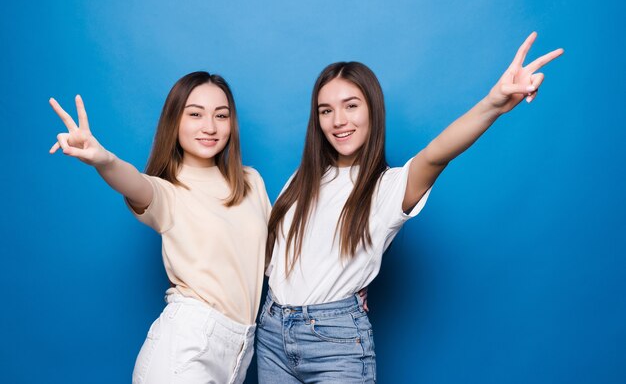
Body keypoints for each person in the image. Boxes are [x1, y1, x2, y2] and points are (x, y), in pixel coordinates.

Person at [256, 32, 563, 383]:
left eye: (351, 105)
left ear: (373, 109)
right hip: (272, 332)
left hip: (334, 341)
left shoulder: (388, 187)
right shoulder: (301, 180)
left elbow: (437, 154)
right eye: (326, 110)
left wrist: (493, 104)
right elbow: (276, 259)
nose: (338, 120)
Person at [49, 71, 271, 384]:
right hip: (186, 346)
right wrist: (104, 159)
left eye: (221, 116)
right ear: (174, 121)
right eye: (195, 114)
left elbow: (279, 257)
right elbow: (135, 183)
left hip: (239, 350)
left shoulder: (251, 182)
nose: (210, 126)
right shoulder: (169, 191)